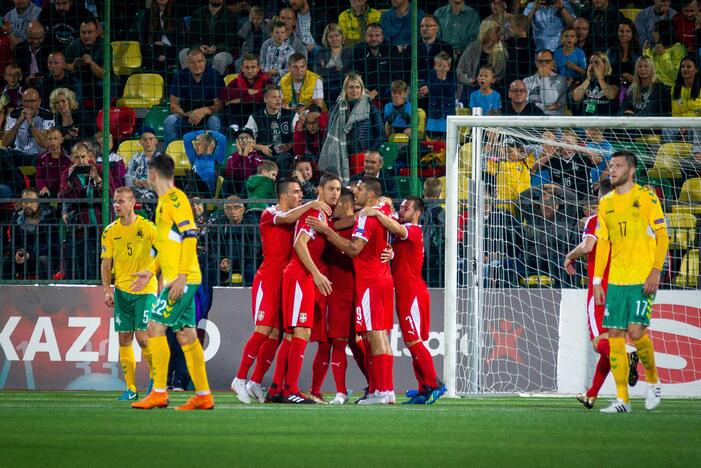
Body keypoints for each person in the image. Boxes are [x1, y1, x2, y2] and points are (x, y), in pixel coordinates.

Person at [230, 177, 331, 404]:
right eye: (295, 192)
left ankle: (255, 380)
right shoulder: (269, 213)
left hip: (285, 282)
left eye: (300, 192)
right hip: (268, 280)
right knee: (263, 330)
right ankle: (239, 377)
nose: (299, 196)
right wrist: (312, 204)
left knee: (277, 336)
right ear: (283, 195)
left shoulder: (297, 219)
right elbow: (286, 217)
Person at [130, 153, 214, 411]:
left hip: (181, 280)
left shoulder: (175, 199)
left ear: (152, 174)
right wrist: (150, 269)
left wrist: (181, 276)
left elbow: (190, 235)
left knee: (154, 328)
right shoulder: (164, 202)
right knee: (186, 334)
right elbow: (168, 246)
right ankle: (203, 395)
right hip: (177, 278)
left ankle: (158, 391)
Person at [307, 177, 395, 405]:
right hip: (354, 285)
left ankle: (381, 391)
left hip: (365, 284)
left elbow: (354, 248)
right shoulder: (378, 211)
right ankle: (378, 390)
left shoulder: (367, 216)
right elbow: (393, 222)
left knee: (370, 337)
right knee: (354, 338)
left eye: (360, 190)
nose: (356, 193)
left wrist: (327, 231)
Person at [593, 151, 668, 413]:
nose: (612, 170)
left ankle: (654, 382)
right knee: (615, 335)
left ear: (632, 170)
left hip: (641, 277)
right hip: (616, 280)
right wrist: (597, 281)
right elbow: (603, 243)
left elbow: (662, 235)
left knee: (636, 333)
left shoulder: (646, 198)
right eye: (611, 166)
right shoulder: (606, 203)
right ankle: (623, 399)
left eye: (618, 166)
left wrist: (656, 270)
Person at [266, 173, 341, 404]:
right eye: (331, 189)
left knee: (292, 334)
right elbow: (300, 243)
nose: (335, 193)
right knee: (302, 332)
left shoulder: (321, 213)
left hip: (301, 276)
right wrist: (317, 274)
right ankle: (290, 390)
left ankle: (277, 389)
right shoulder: (315, 211)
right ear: (320, 189)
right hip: (300, 275)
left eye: (338, 189)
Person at [362, 196, 445, 405]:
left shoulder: (413, 230)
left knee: (414, 341)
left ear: (417, 213)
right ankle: (423, 388)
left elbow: (397, 229)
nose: (401, 210)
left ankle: (435, 385)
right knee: (413, 343)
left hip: (413, 294)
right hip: (405, 293)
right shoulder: (401, 231)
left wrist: (377, 212)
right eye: (400, 207)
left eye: (406, 208)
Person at [564, 179, 637, 409]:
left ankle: (627, 354)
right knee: (609, 344)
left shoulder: (597, 219)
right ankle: (592, 394)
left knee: (599, 344)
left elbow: (587, 247)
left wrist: (569, 256)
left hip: (601, 288)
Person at [100, 187, 157, 401]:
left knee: (143, 337)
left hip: (145, 290)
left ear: (133, 203)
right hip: (122, 290)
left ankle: (155, 378)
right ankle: (131, 388)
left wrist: (160, 281)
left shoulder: (147, 227)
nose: (117, 205)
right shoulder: (110, 231)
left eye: (121, 201)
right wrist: (107, 289)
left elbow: (164, 254)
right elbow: (106, 263)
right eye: (115, 201)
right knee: (124, 338)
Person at [318, 73, 383, 184]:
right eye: (351, 87)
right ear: (345, 89)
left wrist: (369, 152)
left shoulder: (370, 108)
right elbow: (328, 134)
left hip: (361, 156)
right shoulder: (336, 108)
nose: (354, 90)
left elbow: (381, 134)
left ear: (362, 89)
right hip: (339, 155)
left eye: (357, 87)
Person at [164, 48, 224, 146]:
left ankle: (214, 159)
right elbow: (173, 106)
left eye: (200, 61)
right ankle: (170, 158)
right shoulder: (180, 76)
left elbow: (220, 106)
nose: (197, 65)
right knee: (169, 121)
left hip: (208, 118)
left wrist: (204, 110)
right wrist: (186, 114)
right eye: (193, 62)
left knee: (215, 121)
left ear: (205, 61)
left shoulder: (214, 75)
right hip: (186, 118)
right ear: (187, 63)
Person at [2, 187, 60, 280]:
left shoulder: (49, 215)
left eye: (31, 201)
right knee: (6, 263)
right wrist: (17, 252)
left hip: (42, 256)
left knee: (43, 260)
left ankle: (47, 292)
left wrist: (31, 254)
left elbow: (51, 244)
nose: (28, 205)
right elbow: (14, 240)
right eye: (25, 201)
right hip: (24, 258)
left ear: (38, 202)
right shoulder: (16, 217)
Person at [244, 84, 297, 172]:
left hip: (286, 154)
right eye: (274, 97)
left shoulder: (291, 115)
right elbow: (246, 140)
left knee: (283, 159)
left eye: (280, 97)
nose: (278, 100)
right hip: (263, 155)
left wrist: (289, 145)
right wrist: (261, 147)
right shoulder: (255, 117)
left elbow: (300, 138)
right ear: (265, 99)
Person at [179, 0, 237, 76]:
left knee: (220, 58)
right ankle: (190, 82)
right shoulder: (197, 14)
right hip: (200, 51)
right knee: (183, 53)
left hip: (222, 51)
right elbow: (192, 39)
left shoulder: (231, 15)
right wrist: (199, 48)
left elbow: (230, 42)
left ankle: (212, 84)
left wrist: (216, 48)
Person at [1, 88, 53, 168]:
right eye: (26, 101)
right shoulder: (14, 114)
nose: (29, 105)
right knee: (2, 151)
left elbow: (45, 144)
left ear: (39, 102)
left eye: (32, 101)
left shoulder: (47, 115)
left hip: (37, 156)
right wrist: (18, 122)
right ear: (22, 102)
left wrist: (30, 122)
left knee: (46, 153)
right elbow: (5, 142)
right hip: (18, 154)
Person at [456, 19, 507, 99]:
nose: (499, 34)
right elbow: (460, 71)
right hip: (471, 88)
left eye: (500, 31)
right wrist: (470, 81)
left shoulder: (502, 52)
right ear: (487, 32)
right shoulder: (472, 49)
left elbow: (502, 74)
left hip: (493, 90)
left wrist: (490, 81)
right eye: (496, 31)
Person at [131, 0, 186, 73]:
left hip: (172, 52)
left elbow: (182, 41)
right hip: (153, 52)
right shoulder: (147, 15)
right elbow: (142, 41)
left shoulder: (176, 14)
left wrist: (167, 56)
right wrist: (152, 47)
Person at [348, 23, 397, 104]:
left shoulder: (391, 49)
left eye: (377, 35)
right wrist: (362, 88)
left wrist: (377, 91)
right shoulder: (358, 49)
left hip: (385, 89)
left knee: (393, 91)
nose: (374, 39)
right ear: (365, 37)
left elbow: (395, 76)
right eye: (370, 35)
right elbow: (353, 72)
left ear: (382, 36)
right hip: (363, 89)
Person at [219, 53, 271, 129]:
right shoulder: (238, 80)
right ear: (242, 68)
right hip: (241, 113)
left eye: (253, 67)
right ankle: (234, 129)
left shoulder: (265, 80)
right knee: (232, 106)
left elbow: (268, 95)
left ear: (258, 68)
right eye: (247, 67)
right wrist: (247, 92)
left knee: (261, 104)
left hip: (258, 112)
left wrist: (240, 99)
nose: (250, 70)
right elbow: (223, 94)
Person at [63, 18, 106, 109]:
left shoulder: (105, 47)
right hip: (79, 79)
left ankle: (102, 116)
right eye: (83, 32)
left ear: (97, 33)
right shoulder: (72, 46)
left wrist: (91, 63)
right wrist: (73, 66)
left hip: (97, 80)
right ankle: (77, 116)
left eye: (90, 32)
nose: (86, 35)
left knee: (102, 85)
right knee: (75, 84)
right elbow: (63, 66)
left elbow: (105, 75)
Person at [314, 23, 352, 109]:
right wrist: (335, 68)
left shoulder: (349, 52)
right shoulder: (321, 53)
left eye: (337, 35)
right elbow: (318, 72)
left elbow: (347, 70)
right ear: (326, 39)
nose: (334, 39)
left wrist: (327, 70)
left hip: (343, 83)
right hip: (326, 86)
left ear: (342, 36)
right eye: (331, 37)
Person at [421, 51, 458, 137]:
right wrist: (438, 80)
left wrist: (443, 79)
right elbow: (434, 91)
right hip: (433, 118)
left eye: (444, 66)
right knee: (432, 142)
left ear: (448, 67)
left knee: (447, 143)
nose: (442, 68)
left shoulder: (452, 79)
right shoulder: (431, 79)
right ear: (435, 66)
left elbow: (450, 92)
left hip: (447, 118)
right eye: (439, 66)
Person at [571, 51, 620, 116]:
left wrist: (600, 78)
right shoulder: (584, 79)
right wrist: (588, 79)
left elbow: (611, 96)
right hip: (585, 119)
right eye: (590, 63)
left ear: (605, 64)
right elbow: (576, 97)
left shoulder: (613, 78)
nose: (593, 65)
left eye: (596, 62)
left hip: (605, 120)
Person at [182, 129, 228, 197]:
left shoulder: (216, 159)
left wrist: (210, 133)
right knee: (191, 174)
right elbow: (186, 137)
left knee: (191, 174)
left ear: (208, 146)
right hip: (194, 191)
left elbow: (223, 139)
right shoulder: (193, 158)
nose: (196, 147)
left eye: (199, 144)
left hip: (208, 193)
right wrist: (202, 132)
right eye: (195, 144)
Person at [125, 127, 160, 213]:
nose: (148, 142)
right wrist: (134, 182)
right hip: (135, 190)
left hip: (155, 192)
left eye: (151, 139)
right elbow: (127, 177)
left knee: (148, 197)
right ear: (141, 142)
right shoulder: (135, 158)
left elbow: (167, 182)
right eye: (145, 139)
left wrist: (151, 184)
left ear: (156, 141)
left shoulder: (163, 159)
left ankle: (151, 223)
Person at [643, 19, 687, 88]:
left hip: (670, 89)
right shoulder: (656, 48)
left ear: (663, 32)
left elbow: (675, 77)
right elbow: (647, 70)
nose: (652, 34)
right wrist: (646, 52)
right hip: (653, 87)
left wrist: (663, 55)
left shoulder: (679, 49)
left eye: (655, 31)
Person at [523, 49, 568, 116]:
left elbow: (549, 102)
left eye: (547, 61)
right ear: (536, 63)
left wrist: (544, 77)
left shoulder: (560, 80)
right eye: (540, 61)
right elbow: (524, 104)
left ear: (553, 63)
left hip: (552, 121)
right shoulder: (527, 80)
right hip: (532, 120)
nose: (544, 64)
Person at [224, 127, 266, 196]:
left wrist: (245, 155)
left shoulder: (258, 158)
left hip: (250, 191)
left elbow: (248, 175)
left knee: (247, 179)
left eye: (247, 138)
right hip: (234, 189)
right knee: (227, 179)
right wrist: (240, 155)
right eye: (240, 139)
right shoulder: (232, 157)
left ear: (253, 142)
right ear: (237, 142)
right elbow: (229, 173)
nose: (244, 140)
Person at [36, 127, 72, 197]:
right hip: (46, 192)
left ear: (61, 140)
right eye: (50, 139)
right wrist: (43, 188)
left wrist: (62, 191)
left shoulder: (68, 159)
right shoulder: (41, 157)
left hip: (63, 192)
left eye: (55, 138)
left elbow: (70, 179)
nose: (52, 141)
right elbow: (38, 178)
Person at [607, 19, 642, 90]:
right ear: (617, 33)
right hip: (613, 87)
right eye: (621, 31)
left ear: (632, 33)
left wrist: (633, 79)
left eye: (628, 31)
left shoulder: (639, 52)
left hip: (633, 88)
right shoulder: (610, 52)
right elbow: (606, 73)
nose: (624, 34)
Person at [14, 21, 48, 87]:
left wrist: (44, 79)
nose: (35, 42)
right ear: (26, 35)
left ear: (44, 36)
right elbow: (16, 72)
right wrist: (25, 79)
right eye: (32, 38)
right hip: (25, 86)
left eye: (39, 38)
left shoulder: (49, 48)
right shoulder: (19, 49)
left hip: (46, 85)